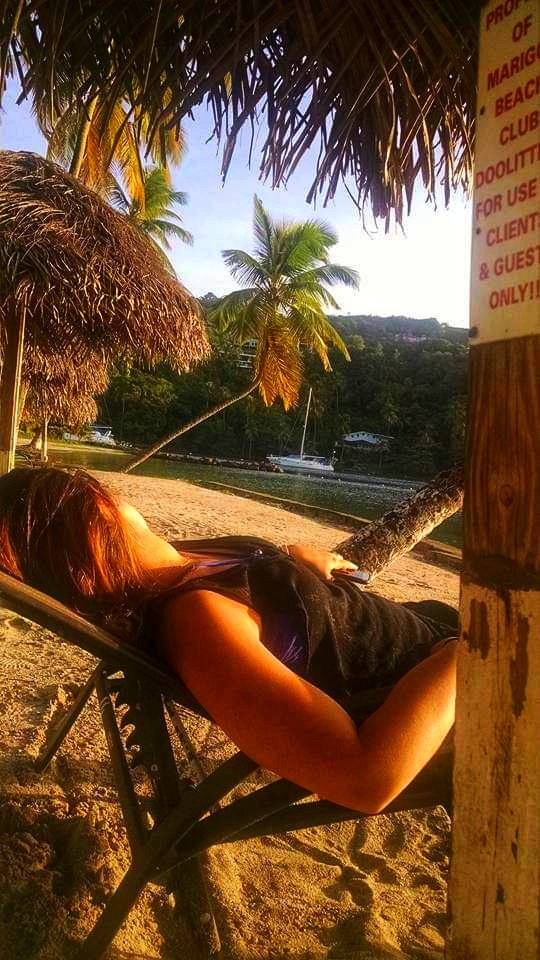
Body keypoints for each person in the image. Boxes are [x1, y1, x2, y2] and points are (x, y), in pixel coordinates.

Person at [0, 466, 458, 814]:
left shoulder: (175, 562)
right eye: (93, 492)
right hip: (447, 680)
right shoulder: (197, 619)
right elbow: (364, 779)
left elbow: (270, 606)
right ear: (93, 520)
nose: (112, 495)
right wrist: (472, 654)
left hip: (429, 630)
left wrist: (296, 565)